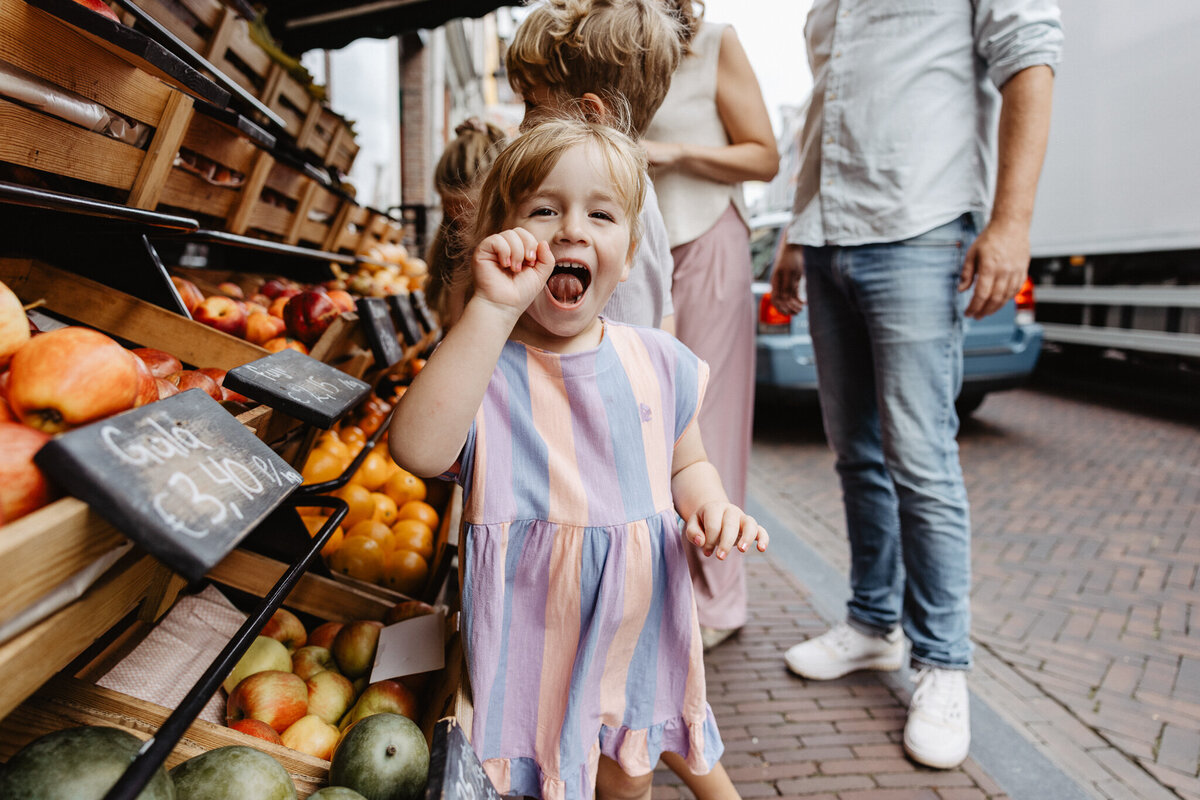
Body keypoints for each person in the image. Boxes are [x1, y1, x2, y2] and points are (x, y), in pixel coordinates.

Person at [388, 115, 768, 800]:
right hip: (535, 641)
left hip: (641, 628)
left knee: (630, 771)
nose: (570, 229)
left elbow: (688, 463)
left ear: (626, 256)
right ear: (497, 237)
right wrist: (491, 309)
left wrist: (711, 506)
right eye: (543, 209)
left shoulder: (658, 361)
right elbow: (415, 448)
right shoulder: (485, 370)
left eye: (600, 214)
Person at [771, 0, 1063, 771]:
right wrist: (796, 231)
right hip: (828, 238)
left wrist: (1013, 220)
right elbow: (824, 112)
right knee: (855, 452)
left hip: (920, 229)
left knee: (921, 460)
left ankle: (942, 664)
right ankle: (873, 626)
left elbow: (1031, 56)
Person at [643, 1, 779, 653]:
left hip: (706, 238)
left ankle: (720, 601)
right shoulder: (617, 49)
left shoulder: (717, 43)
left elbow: (764, 156)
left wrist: (669, 152)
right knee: (655, 417)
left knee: (707, 415)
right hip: (642, 248)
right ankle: (671, 584)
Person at [505, 0, 679, 332]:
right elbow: (665, 318)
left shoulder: (617, 209)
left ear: (588, 116)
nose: (523, 126)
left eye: (532, 104)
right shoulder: (632, 195)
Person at [425, 117, 508, 328]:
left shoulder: (508, 257)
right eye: (448, 206)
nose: (457, 219)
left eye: (466, 209)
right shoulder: (455, 253)